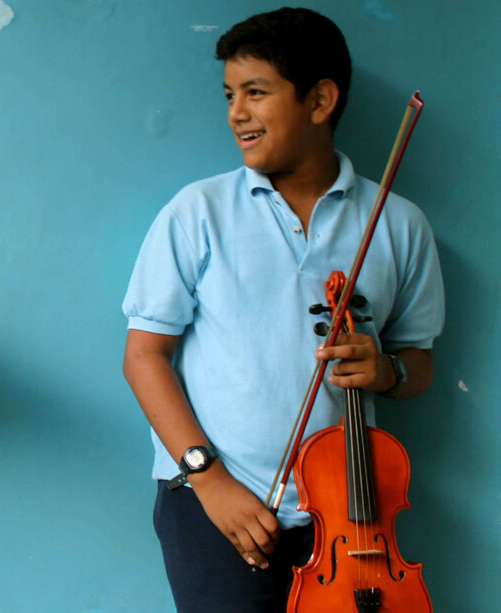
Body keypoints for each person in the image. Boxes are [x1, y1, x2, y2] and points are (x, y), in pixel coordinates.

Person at [121, 8, 444, 612]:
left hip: (351, 517)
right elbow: (144, 357)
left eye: (255, 93)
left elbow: (418, 364)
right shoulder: (198, 212)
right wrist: (210, 482)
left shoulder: (398, 224)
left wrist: (386, 372)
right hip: (213, 504)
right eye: (229, 95)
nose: (235, 113)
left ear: (320, 100)